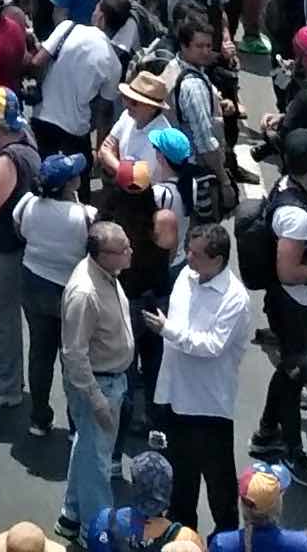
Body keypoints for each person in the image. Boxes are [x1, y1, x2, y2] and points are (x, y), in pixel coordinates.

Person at [153, 216, 256, 537]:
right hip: (175, 395)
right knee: (180, 479)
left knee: (218, 483)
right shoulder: (187, 274)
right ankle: (183, 537)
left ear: (218, 260)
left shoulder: (234, 299)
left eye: (196, 253)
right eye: (189, 250)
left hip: (208, 404)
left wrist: (167, 330)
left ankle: (225, 539)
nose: (188, 256)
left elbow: (212, 345)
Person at [62, 217, 143, 545]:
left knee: (87, 448)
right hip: (99, 384)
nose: (130, 252)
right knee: (97, 463)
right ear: (101, 254)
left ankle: (71, 513)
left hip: (112, 378)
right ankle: (94, 532)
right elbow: (74, 355)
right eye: (122, 249)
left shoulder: (107, 274)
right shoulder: (85, 293)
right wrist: (97, 402)